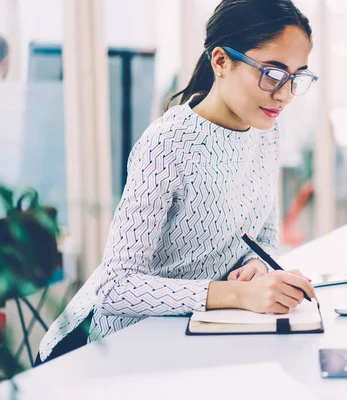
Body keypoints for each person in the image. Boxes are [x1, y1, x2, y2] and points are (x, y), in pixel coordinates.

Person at [37, 0, 318, 364]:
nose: (284, 94)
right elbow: (115, 287)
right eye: (273, 74)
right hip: (104, 350)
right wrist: (236, 295)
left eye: (296, 77)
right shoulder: (169, 143)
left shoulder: (267, 133)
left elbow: (263, 234)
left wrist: (257, 266)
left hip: (185, 340)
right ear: (221, 61)